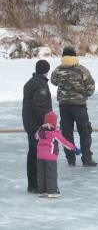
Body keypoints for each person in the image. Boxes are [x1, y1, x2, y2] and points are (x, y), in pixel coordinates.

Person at [51, 46, 97, 167]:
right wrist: (84, 94)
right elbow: (90, 87)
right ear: (75, 56)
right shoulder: (82, 70)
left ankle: (70, 160)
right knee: (85, 132)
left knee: (67, 133)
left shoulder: (58, 69)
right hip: (79, 106)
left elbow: (53, 81)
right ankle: (87, 159)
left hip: (64, 106)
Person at [22, 60, 53, 193]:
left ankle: (33, 184)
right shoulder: (41, 85)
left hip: (29, 122)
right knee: (37, 153)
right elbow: (39, 106)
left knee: (33, 152)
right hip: (37, 124)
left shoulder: (30, 82)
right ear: (46, 70)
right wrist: (46, 124)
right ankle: (36, 185)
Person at [35, 111, 77, 197]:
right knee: (51, 174)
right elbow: (64, 142)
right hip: (50, 157)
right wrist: (74, 148)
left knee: (41, 174)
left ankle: (42, 191)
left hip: (40, 157)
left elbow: (35, 136)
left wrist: (41, 128)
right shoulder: (54, 133)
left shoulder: (40, 131)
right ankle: (52, 191)